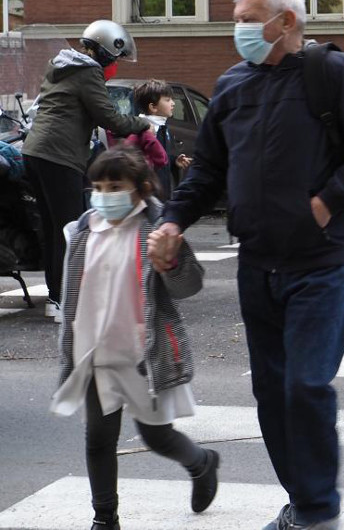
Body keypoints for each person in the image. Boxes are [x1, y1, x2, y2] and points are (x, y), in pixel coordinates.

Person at [148, 0, 344, 530]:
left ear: (286, 21)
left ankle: (317, 512)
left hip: (321, 260)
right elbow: (209, 171)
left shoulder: (330, 73)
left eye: (248, 16)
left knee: (305, 384)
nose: (238, 28)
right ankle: (301, 499)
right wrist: (173, 220)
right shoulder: (233, 85)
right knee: (271, 393)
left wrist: (329, 200)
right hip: (257, 263)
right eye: (237, 17)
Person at [51, 146, 218, 530]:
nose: (105, 195)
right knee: (98, 440)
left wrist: (171, 261)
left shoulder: (158, 231)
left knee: (157, 437)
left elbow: (188, 286)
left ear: (141, 189)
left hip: (144, 356)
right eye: (98, 186)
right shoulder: (81, 231)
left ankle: (202, 463)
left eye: (115, 186)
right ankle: (105, 519)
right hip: (95, 355)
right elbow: (71, 294)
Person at [22, 20, 149, 321]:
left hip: (35, 151)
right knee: (70, 231)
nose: (115, 66)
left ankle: (56, 297)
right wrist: (144, 123)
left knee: (55, 230)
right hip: (59, 154)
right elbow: (109, 117)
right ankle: (65, 301)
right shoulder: (89, 71)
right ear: (106, 52)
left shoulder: (62, 66)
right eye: (115, 59)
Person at [116, 79, 193, 198]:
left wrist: (173, 161)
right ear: (153, 107)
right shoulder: (143, 131)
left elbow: (160, 156)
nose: (173, 103)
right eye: (167, 100)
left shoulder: (163, 128)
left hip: (162, 191)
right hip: (147, 193)